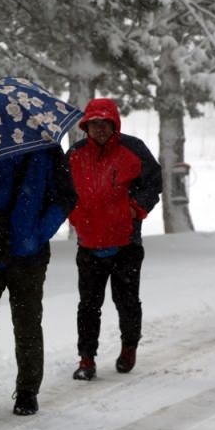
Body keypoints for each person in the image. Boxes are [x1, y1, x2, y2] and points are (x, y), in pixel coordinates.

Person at [0, 144, 77, 416]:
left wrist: (37, 233)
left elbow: (66, 197)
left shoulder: (48, 149)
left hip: (28, 252)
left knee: (27, 321)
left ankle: (27, 392)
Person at [67, 98, 162, 380]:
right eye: (93, 124)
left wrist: (136, 208)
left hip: (126, 244)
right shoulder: (74, 154)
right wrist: (75, 214)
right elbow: (61, 190)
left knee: (127, 302)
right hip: (88, 243)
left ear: (114, 123)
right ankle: (86, 359)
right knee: (88, 306)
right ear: (86, 126)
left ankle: (128, 347)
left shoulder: (133, 149)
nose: (99, 129)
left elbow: (154, 183)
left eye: (104, 123)